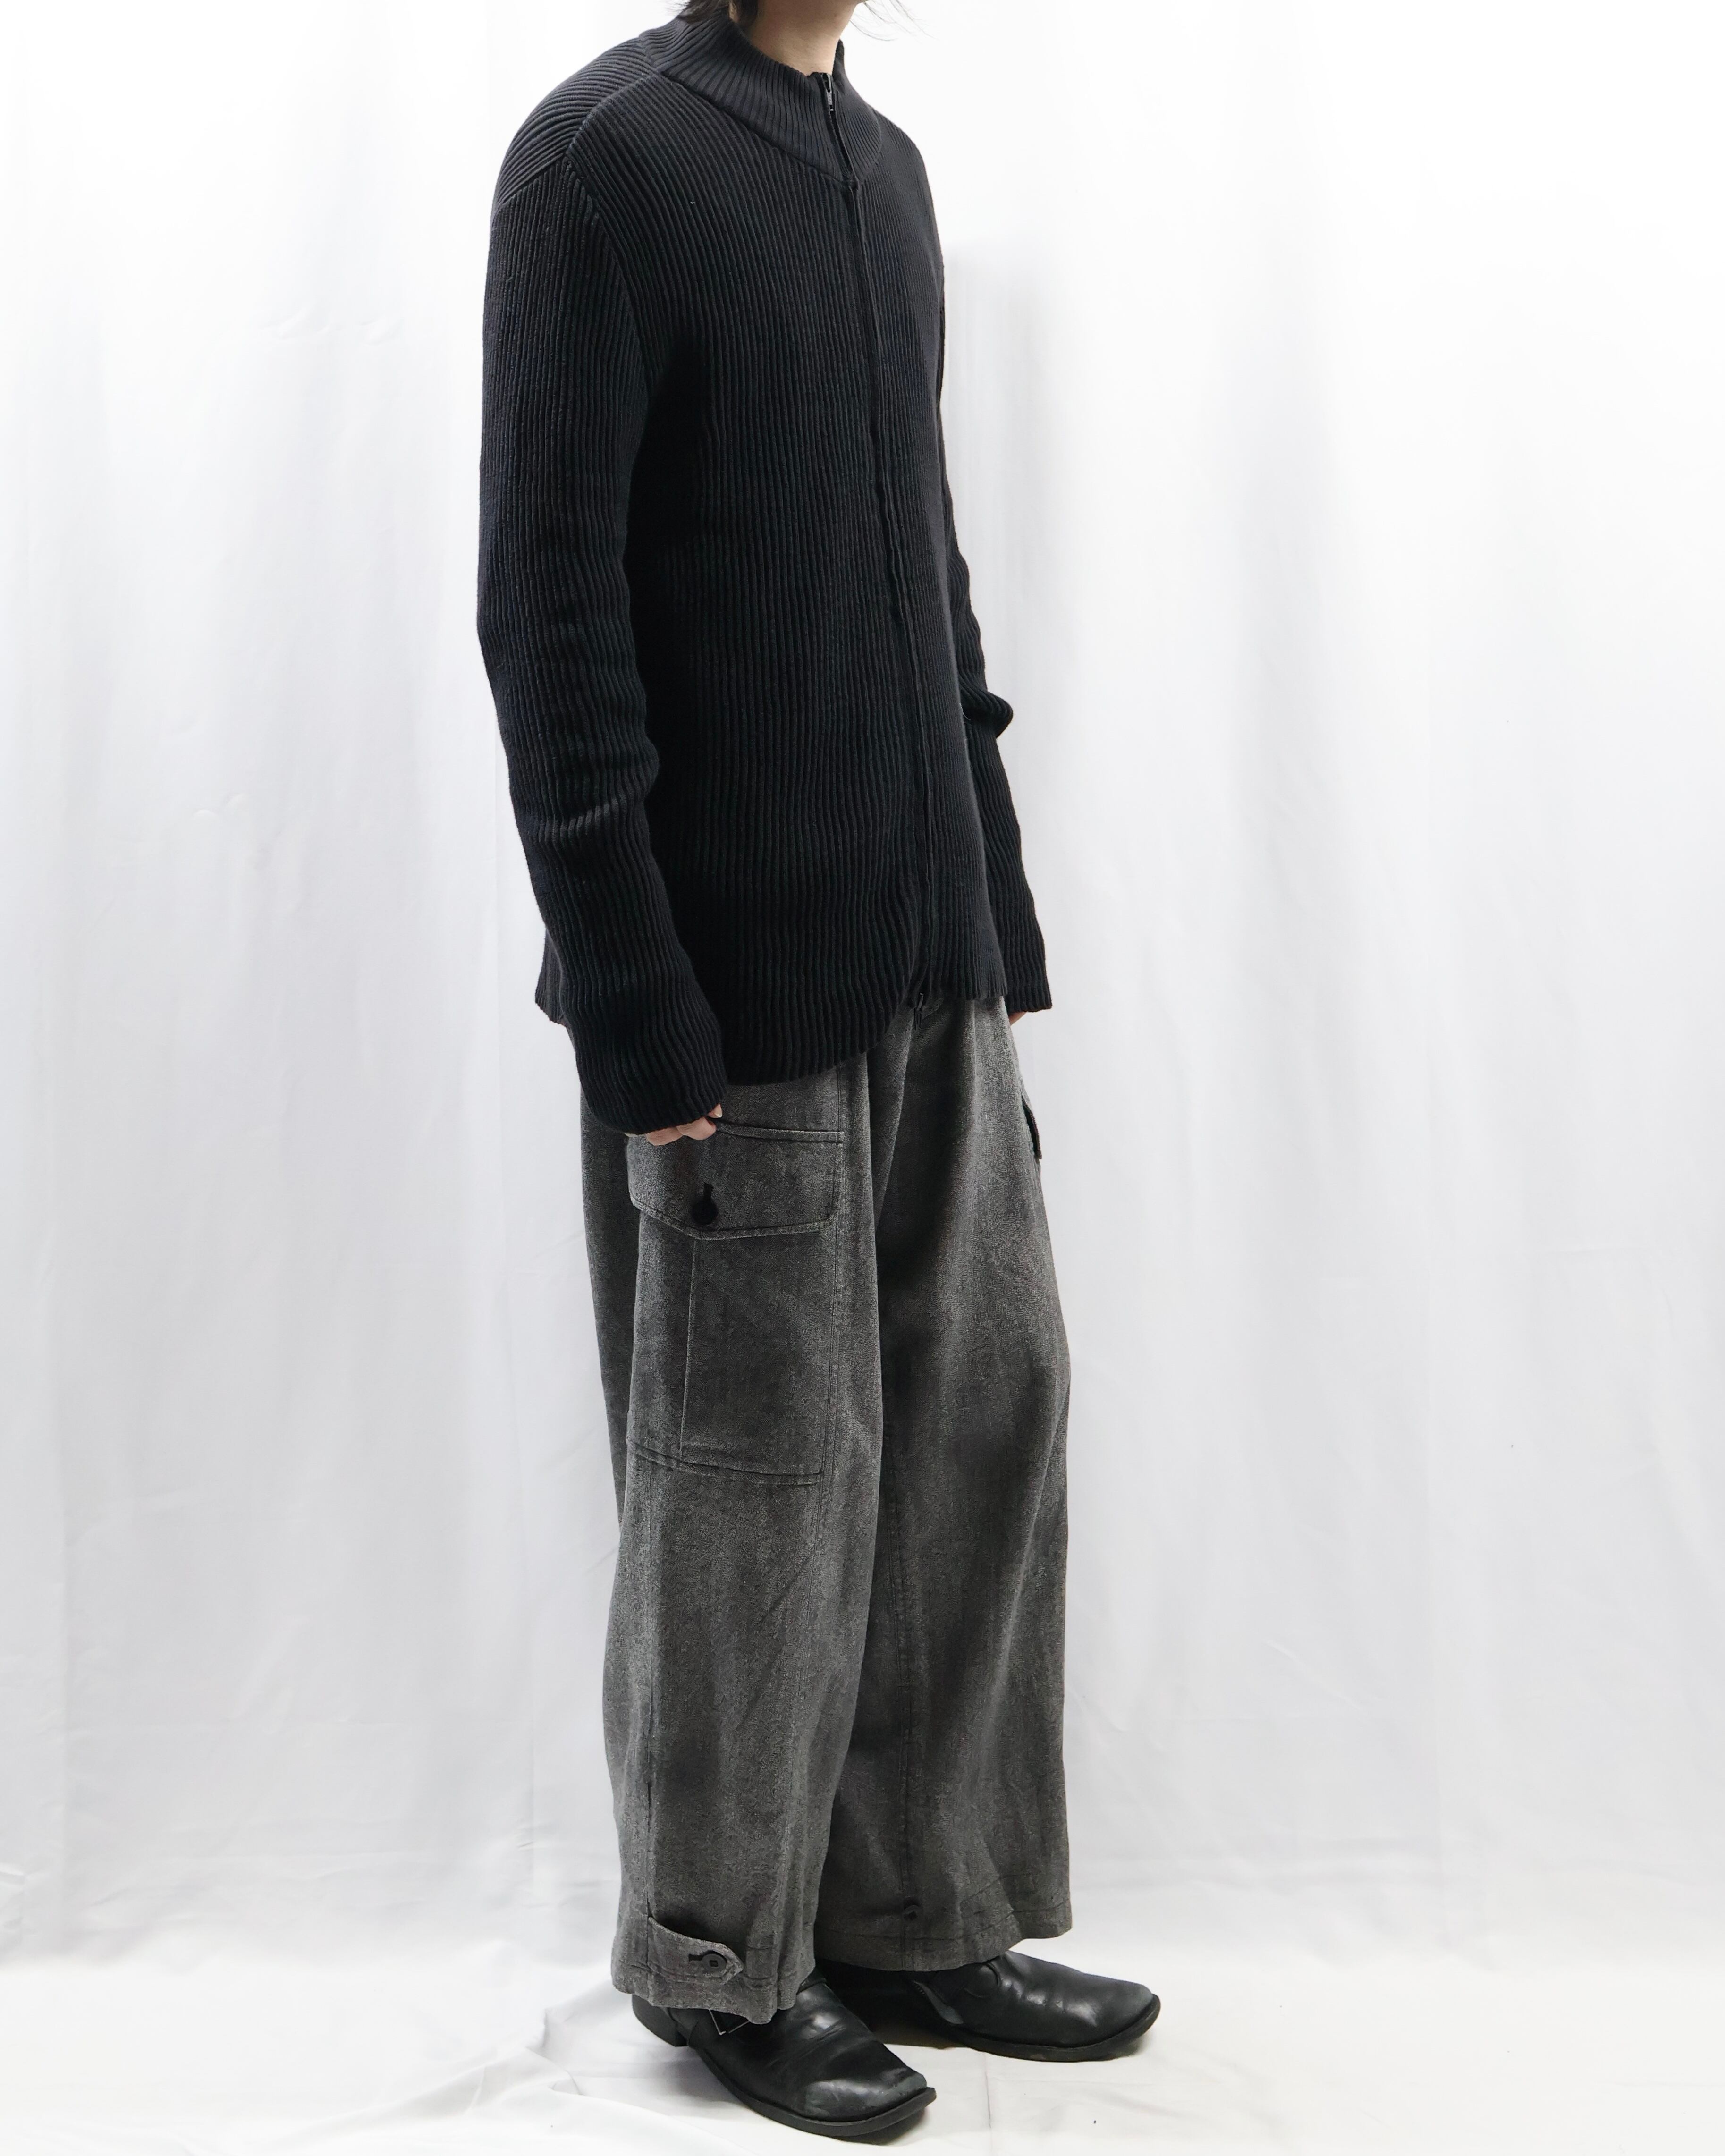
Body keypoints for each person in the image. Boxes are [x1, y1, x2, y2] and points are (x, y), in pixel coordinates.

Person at [478, 0, 1157, 2136]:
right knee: (756, 1479)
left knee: (980, 1423)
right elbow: (546, 606)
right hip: (730, 988)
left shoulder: (886, 173)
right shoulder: (600, 161)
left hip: (927, 954)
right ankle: (719, 1963)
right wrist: (635, 1006)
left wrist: (998, 930)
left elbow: (924, 579)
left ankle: (920, 1912)